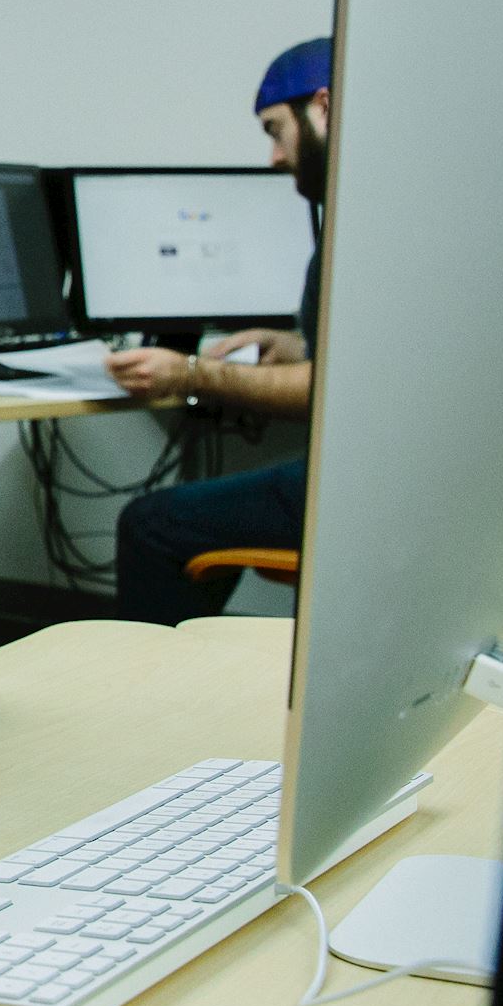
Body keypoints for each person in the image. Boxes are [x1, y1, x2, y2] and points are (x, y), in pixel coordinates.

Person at [105, 38, 331, 623]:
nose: (275, 157)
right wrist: (299, 346)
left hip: (361, 489)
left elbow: (329, 390)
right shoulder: (386, 212)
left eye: (275, 130)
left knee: (151, 525)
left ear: (324, 107)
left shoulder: (367, 227)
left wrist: (189, 372)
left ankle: (152, 703)